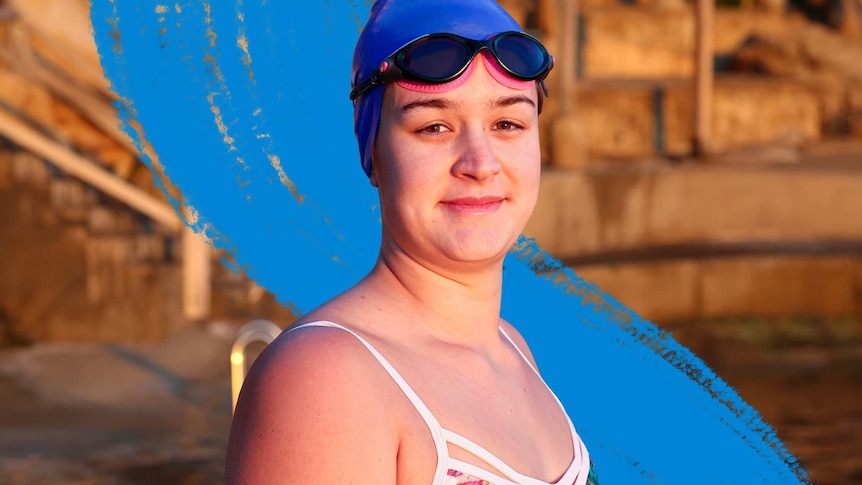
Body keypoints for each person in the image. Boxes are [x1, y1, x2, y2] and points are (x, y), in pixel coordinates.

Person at [225, 0, 597, 483]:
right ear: (373, 154)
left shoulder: (512, 346)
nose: (480, 164)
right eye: (433, 126)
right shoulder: (326, 380)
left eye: (508, 124)